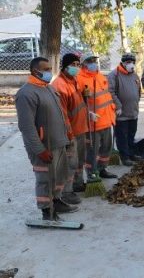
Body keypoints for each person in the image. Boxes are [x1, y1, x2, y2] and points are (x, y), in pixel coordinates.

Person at [16, 57, 78, 220]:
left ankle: (56, 201)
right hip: (44, 146)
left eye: (50, 68)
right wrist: (39, 150)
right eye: (45, 69)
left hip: (58, 141)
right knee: (45, 179)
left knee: (59, 175)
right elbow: (26, 126)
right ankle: (46, 210)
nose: (49, 72)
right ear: (35, 71)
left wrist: (68, 132)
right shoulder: (26, 93)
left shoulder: (48, 88)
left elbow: (61, 113)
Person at [51, 53, 87, 204]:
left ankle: (77, 184)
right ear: (65, 67)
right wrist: (69, 134)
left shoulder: (74, 81)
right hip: (69, 132)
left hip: (79, 129)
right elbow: (62, 115)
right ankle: (66, 192)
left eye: (78, 64)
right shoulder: (59, 85)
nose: (77, 68)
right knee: (70, 164)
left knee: (79, 161)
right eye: (73, 65)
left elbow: (76, 105)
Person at [77, 55, 117, 179]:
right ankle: (91, 173)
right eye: (90, 61)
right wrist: (87, 113)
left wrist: (114, 110)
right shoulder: (79, 79)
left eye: (95, 61)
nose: (94, 63)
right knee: (92, 151)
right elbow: (78, 101)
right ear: (83, 64)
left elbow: (106, 95)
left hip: (106, 119)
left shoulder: (100, 76)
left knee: (106, 147)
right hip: (93, 122)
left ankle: (102, 168)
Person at [108, 53, 142, 166]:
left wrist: (136, 102)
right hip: (121, 113)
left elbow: (139, 91)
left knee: (131, 134)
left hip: (133, 112)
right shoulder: (114, 75)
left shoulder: (135, 76)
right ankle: (125, 156)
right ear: (122, 62)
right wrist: (118, 106)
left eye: (133, 62)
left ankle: (131, 153)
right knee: (122, 135)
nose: (131, 64)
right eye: (128, 62)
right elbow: (111, 92)